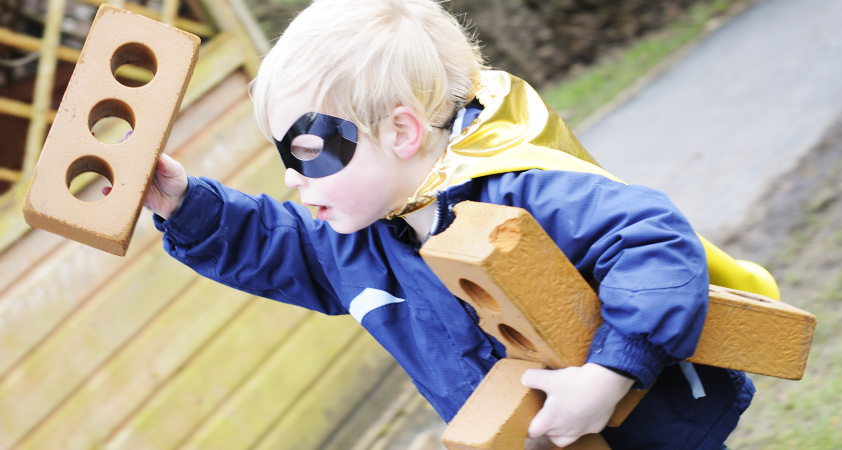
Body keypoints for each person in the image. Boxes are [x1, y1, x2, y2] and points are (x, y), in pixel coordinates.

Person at [144, 0, 776, 447]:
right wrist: (184, 205)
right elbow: (277, 246)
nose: (291, 177)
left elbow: (652, 241)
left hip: (647, 428)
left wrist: (610, 376)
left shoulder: (523, 193)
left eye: (308, 153)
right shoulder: (353, 238)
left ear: (400, 131)